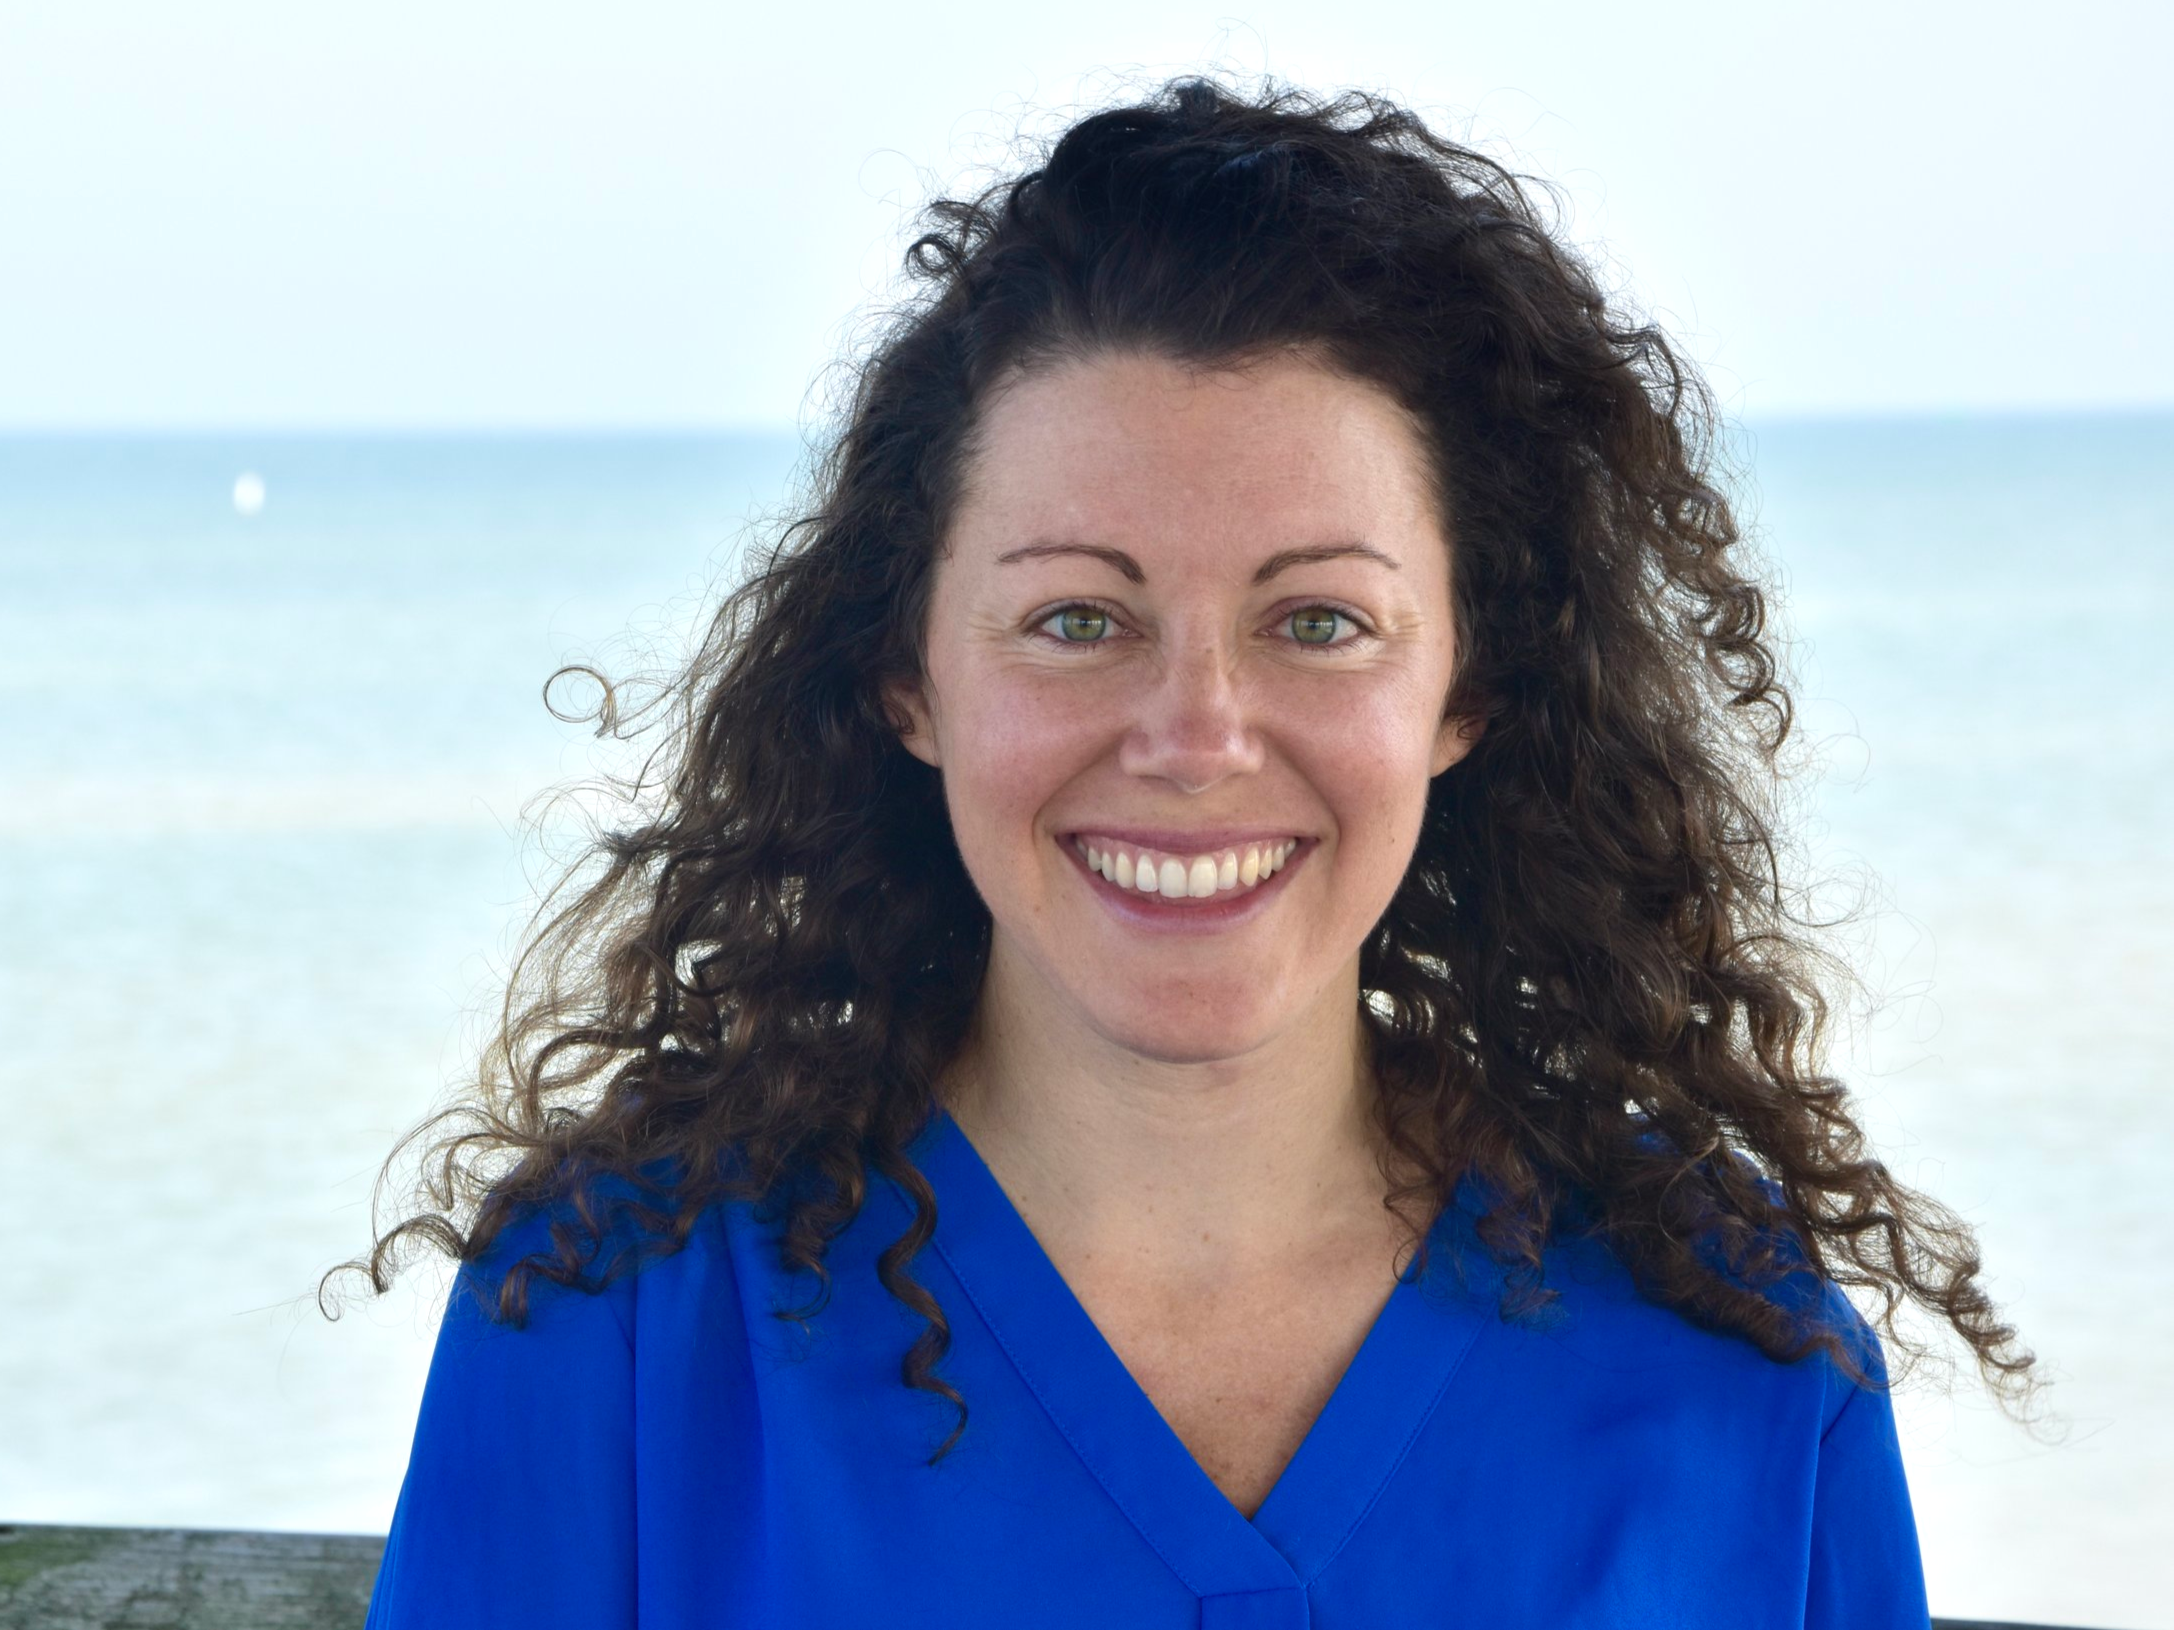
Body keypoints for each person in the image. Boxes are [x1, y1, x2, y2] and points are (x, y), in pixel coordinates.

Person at [349, 77, 2035, 1627]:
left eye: (1318, 620)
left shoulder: (1725, 1339)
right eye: (1076, 616)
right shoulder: (622, 1318)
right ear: (903, 676)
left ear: (1471, 686)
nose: (1197, 733)